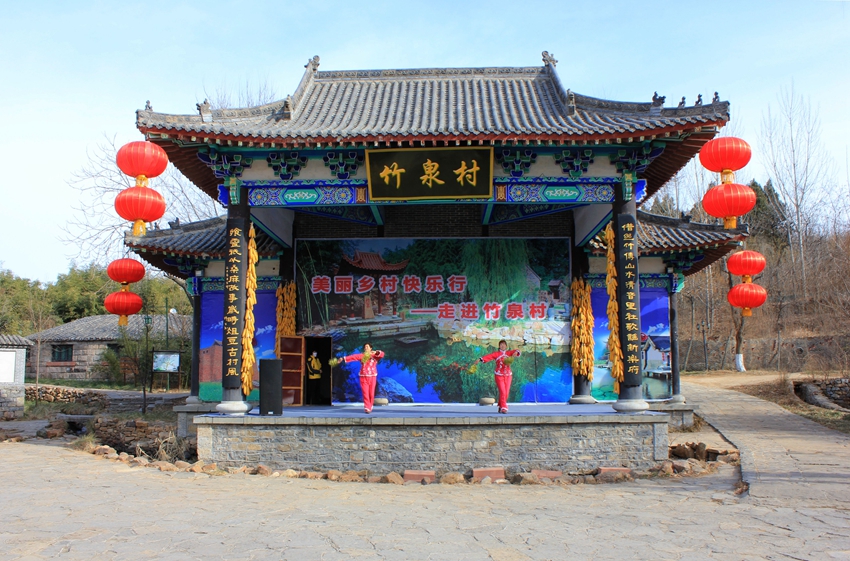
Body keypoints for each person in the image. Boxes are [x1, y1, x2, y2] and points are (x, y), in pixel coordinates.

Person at [479, 340, 521, 414]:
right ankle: (504, 408)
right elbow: (489, 356)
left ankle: (501, 405)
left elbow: (517, 351)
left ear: (506, 346)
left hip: (508, 375)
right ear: (499, 346)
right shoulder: (496, 354)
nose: (502, 346)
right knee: (502, 391)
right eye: (501, 345)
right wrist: (480, 359)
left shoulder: (509, 353)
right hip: (499, 375)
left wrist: (516, 353)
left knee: (506, 392)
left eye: (504, 344)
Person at [342, 342, 384, 414]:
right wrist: (343, 358)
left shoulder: (375, 356)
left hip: (372, 376)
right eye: (365, 347)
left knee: (371, 393)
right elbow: (354, 357)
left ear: (371, 348)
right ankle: (367, 407)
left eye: (367, 347)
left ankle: (370, 405)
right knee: (365, 393)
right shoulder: (362, 355)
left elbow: (382, 354)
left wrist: (376, 352)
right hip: (363, 376)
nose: (366, 348)